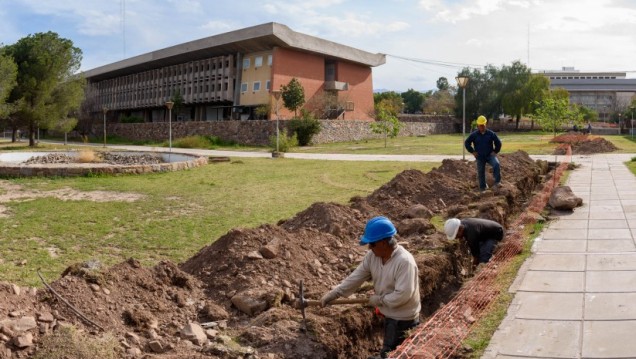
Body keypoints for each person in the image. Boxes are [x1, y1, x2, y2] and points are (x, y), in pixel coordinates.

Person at [321, 216, 420, 359]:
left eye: (372, 244)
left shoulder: (404, 262)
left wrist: (379, 300)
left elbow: (403, 295)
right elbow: (356, 277)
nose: (369, 247)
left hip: (403, 319)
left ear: (384, 242)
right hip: (390, 313)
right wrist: (336, 293)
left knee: (393, 354)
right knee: (393, 351)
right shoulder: (373, 256)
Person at [464, 115, 502, 191]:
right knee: (480, 172)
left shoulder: (491, 134)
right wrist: (472, 151)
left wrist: (495, 151)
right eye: (480, 125)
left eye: (483, 125)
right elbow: (467, 142)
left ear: (485, 124)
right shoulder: (474, 135)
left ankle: (497, 182)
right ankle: (483, 188)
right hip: (480, 157)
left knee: (496, 164)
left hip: (489, 155)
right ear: (477, 125)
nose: (481, 127)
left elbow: (498, 143)